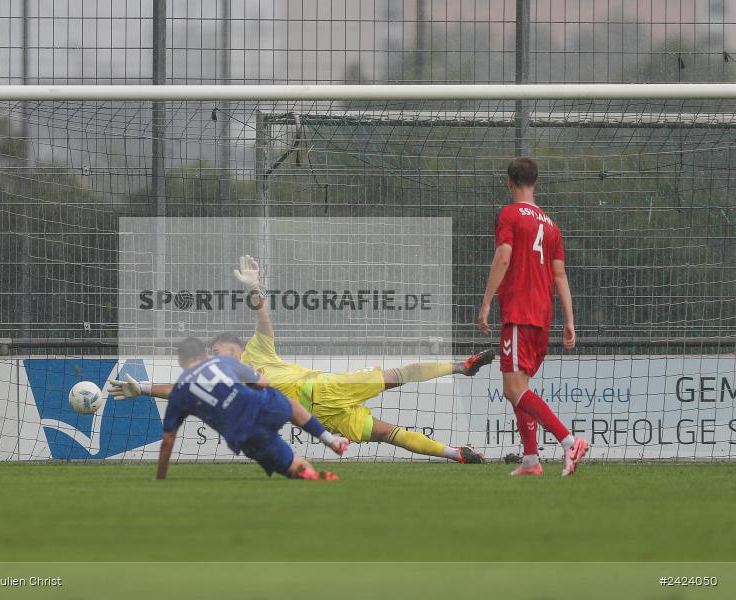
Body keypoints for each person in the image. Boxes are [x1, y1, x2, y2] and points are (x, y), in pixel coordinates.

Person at [209, 256, 493, 464]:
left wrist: (253, 289)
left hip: (321, 390)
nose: (214, 356)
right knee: (387, 433)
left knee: (394, 378)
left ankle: (461, 367)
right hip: (321, 416)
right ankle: (456, 454)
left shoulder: (255, 351)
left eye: (216, 349)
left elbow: (263, 317)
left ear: (231, 345)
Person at [478, 156, 589, 476]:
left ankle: (570, 442)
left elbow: (503, 257)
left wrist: (486, 302)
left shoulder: (510, 215)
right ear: (536, 182)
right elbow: (560, 276)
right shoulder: (551, 225)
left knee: (513, 389)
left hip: (519, 312)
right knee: (520, 386)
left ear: (510, 182)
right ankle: (530, 460)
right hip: (543, 316)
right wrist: (569, 320)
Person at [113, 337, 348, 481]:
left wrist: (160, 478)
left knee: (291, 467)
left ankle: (306, 473)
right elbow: (263, 384)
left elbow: (167, 440)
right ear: (205, 355)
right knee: (288, 403)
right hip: (263, 407)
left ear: (180, 362)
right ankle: (331, 440)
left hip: (245, 433)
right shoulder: (224, 361)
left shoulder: (182, 390)